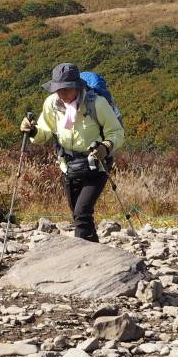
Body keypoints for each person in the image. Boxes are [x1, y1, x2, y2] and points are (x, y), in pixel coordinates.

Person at [19, 62, 125, 242]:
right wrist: (33, 131)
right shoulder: (52, 104)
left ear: (78, 86)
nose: (63, 94)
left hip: (97, 166)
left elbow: (116, 132)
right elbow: (44, 132)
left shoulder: (96, 104)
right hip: (68, 166)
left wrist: (105, 146)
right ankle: (92, 251)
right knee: (78, 215)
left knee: (82, 213)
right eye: (59, 89)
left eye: (67, 89)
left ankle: (83, 254)